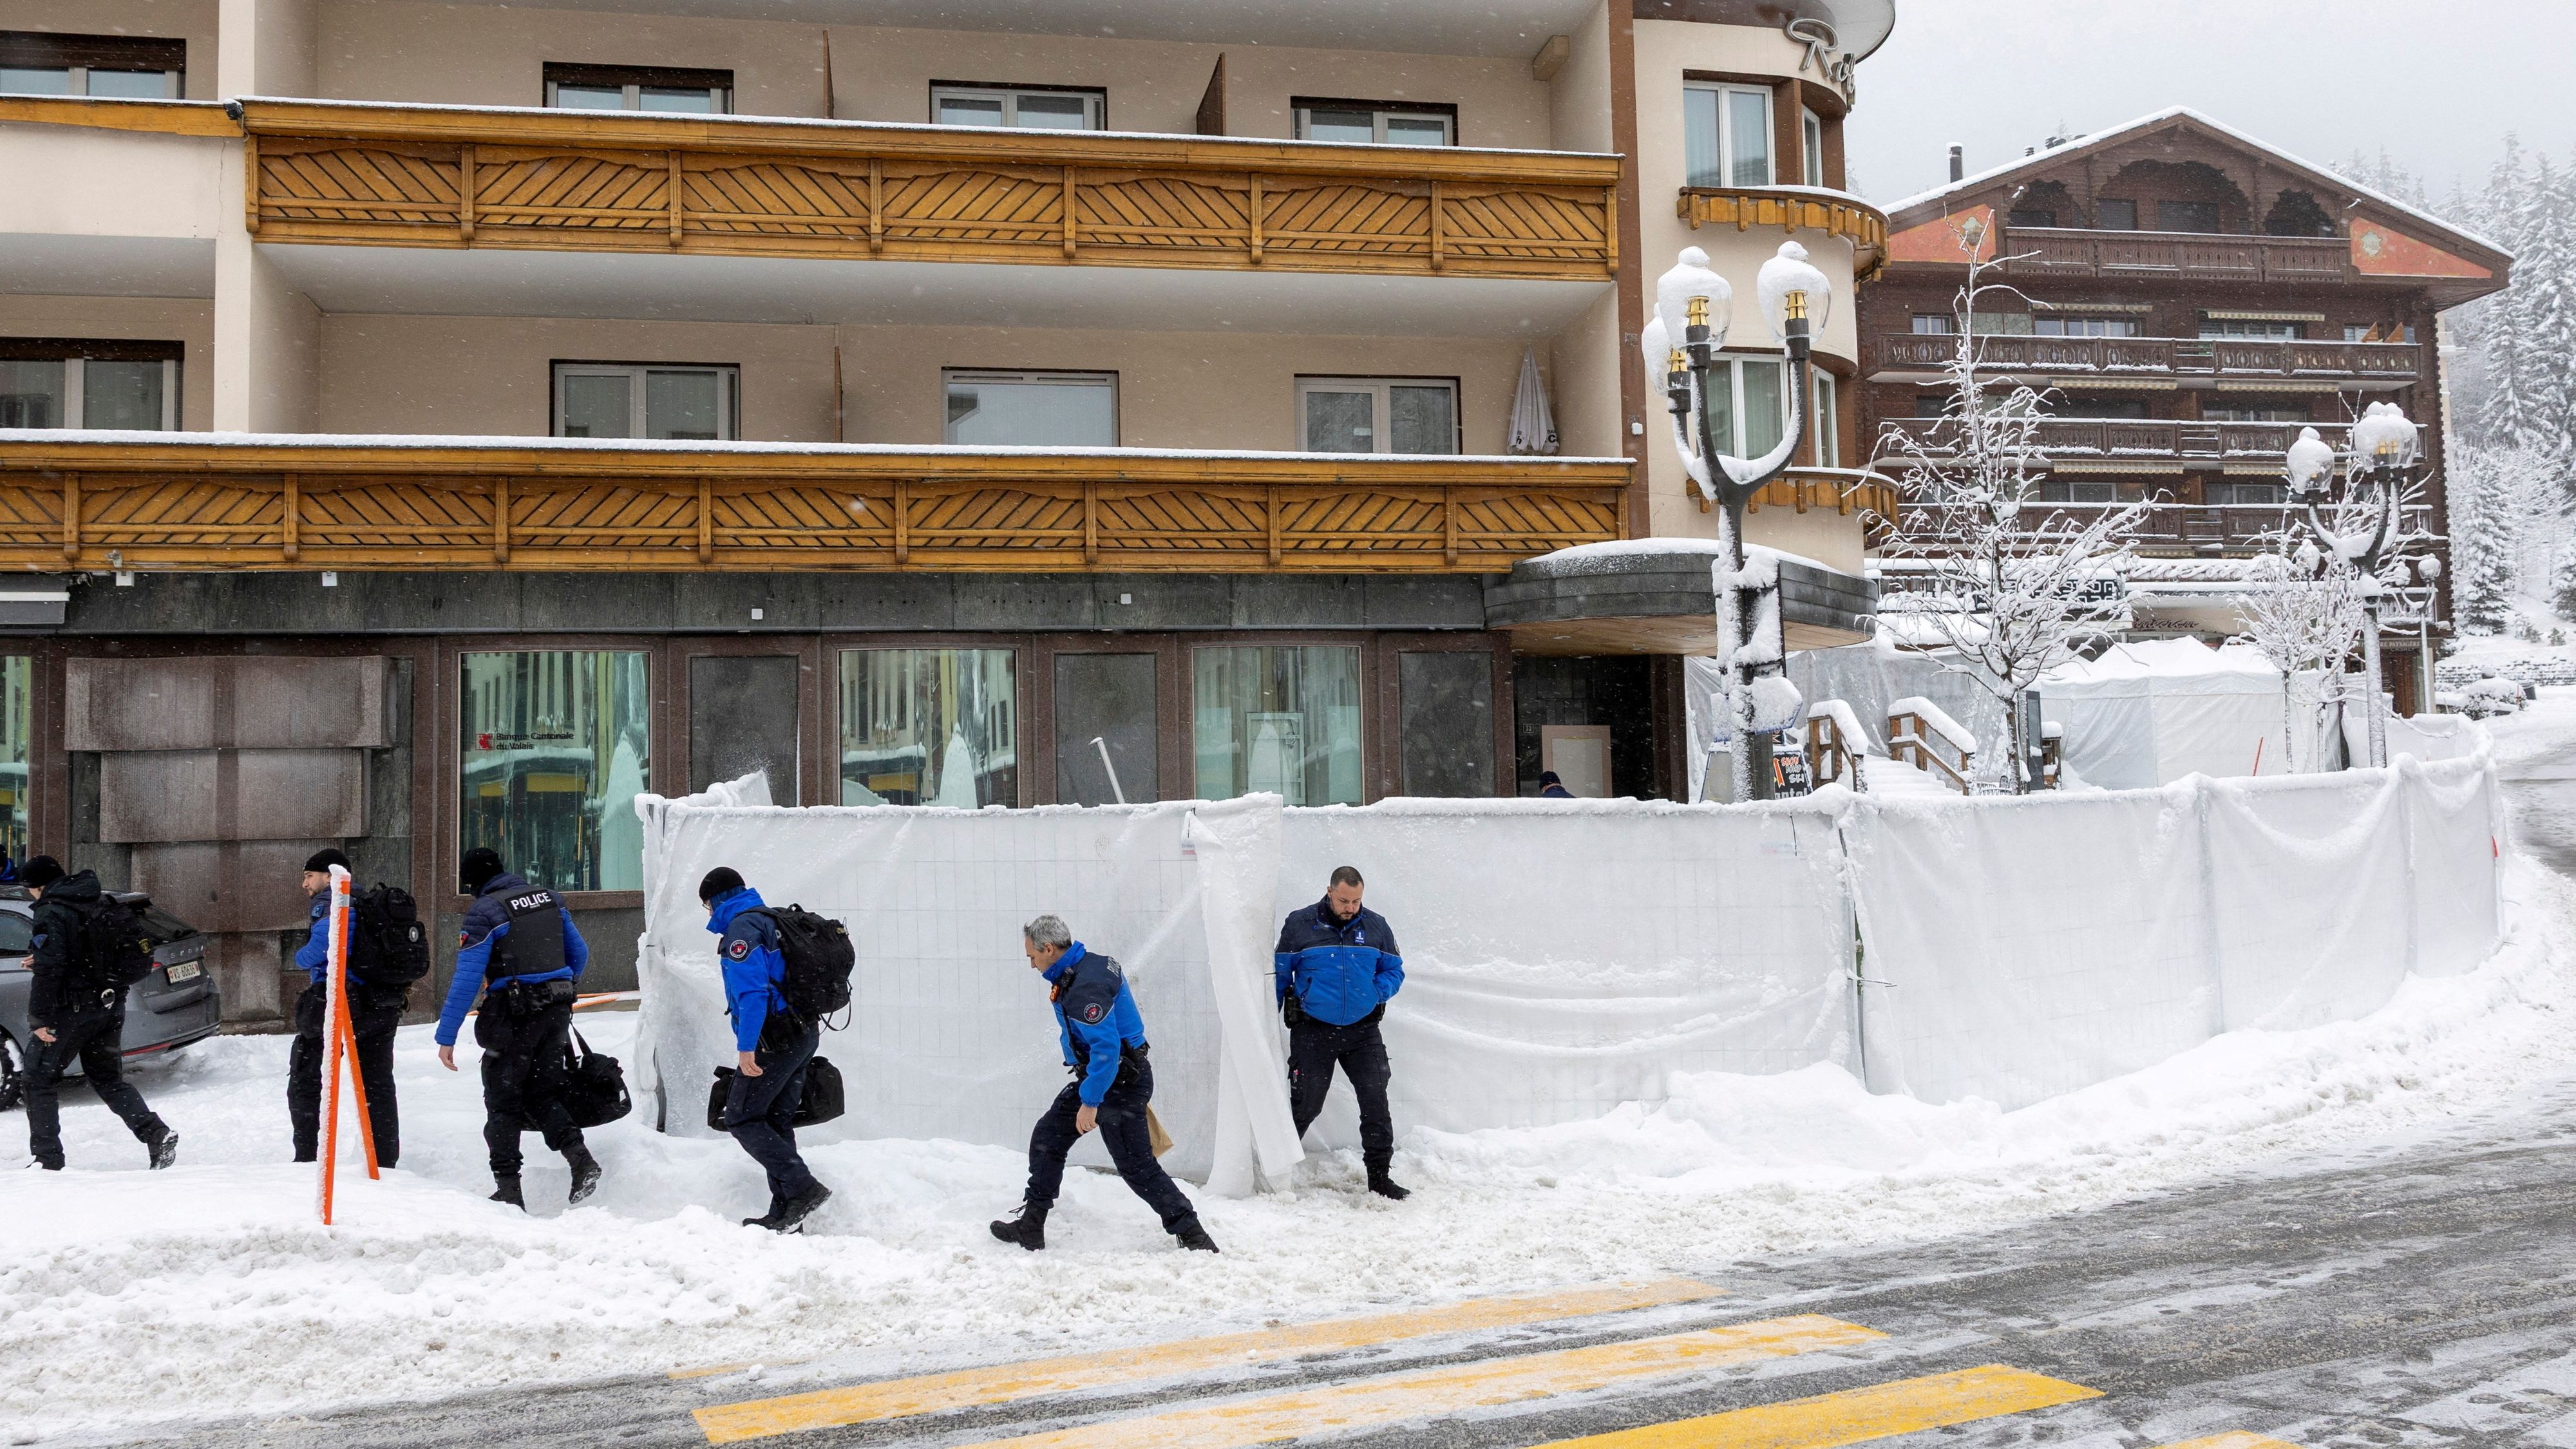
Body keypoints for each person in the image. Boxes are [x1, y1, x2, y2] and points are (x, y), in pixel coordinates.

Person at [990, 916, 1217, 1253]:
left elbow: (1107, 1050)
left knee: (1137, 1167)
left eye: (1032, 957)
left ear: (1049, 949)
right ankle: (1032, 1226)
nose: (1032, 965)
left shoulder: (1085, 986)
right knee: (1048, 1138)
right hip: (1103, 1075)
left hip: (1118, 1081)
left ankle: (1195, 1236)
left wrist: (1091, 1102)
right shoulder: (1089, 965)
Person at [434, 847, 600, 1209]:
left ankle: (509, 1190)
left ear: (472, 881)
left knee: (502, 1103)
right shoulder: (549, 900)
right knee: (543, 1094)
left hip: (514, 1016)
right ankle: (581, 1159)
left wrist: (447, 1035)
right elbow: (580, 955)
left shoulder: (485, 911)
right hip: (556, 1010)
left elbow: (466, 978)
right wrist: (558, 987)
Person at [19, 856, 176, 1171]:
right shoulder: (98, 900)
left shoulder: (53, 910)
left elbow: (53, 968)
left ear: (38, 887)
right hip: (109, 1005)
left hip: (70, 1010)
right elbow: (88, 951)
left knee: (38, 1079)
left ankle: (47, 1161)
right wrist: (42, 957)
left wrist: (39, 1019)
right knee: (108, 1079)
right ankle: (155, 1133)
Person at [700, 866, 833, 1233]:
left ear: (717, 899)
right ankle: (788, 1212)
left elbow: (753, 994)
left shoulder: (742, 931)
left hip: (774, 1038)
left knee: (741, 1116)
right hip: (804, 1032)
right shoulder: (771, 919)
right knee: (774, 1120)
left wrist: (747, 1050)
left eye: (708, 905)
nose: (709, 914)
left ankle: (803, 1189)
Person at [1274, 865, 1408, 1198]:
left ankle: (1380, 1179)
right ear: (1330, 891)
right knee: (1305, 1105)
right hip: (1314, 1031)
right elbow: (1278, 975)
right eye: (1344, 900)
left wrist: (1378, 993)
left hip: (1363, 1032)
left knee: (1376, 1102)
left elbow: (1394, 970)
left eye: (1357, 901)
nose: (1351, 908)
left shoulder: (1376, 926)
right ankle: (1275, 1172)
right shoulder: (1300, 925)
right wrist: (1267, 1017)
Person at [287, 848, 401, 1168]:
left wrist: (299, 958)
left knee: (306, 1079)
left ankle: (308, 1159)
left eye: (309, 876)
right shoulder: (368, 904)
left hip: (341, 1002)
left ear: (330, 876)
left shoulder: (331, 902)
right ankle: (384, 1161)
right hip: (380, 1004)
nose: (304, 884)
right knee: (377, 1085)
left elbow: (324, 947)